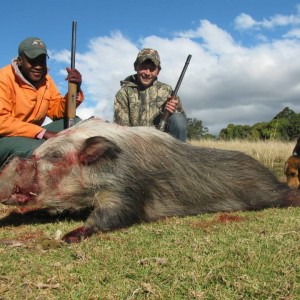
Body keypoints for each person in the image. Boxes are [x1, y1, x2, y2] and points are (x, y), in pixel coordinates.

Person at [0, 37, 84, 168]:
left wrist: (75, 89)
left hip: (31, 135)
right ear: (20, 61)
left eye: (42, 61)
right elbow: (2, 122)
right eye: (32, 61)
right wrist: (42, 133)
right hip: (5, 139)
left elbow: (57, 111)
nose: (38, 66)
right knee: (38, 149)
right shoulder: (4, 79)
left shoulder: (46, 81)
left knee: (77, 124)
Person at [113, 48, 188, 142]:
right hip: (135, 143)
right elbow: (122, 127)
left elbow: (182, 120)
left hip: (164, 143)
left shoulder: (167, 90)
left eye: (152, 69)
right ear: (136, 67)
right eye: (143, 67)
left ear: (158, 71)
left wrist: (174, 109)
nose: (147, 73)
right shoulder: (124, 93)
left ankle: (178, 155)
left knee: (178, 119)